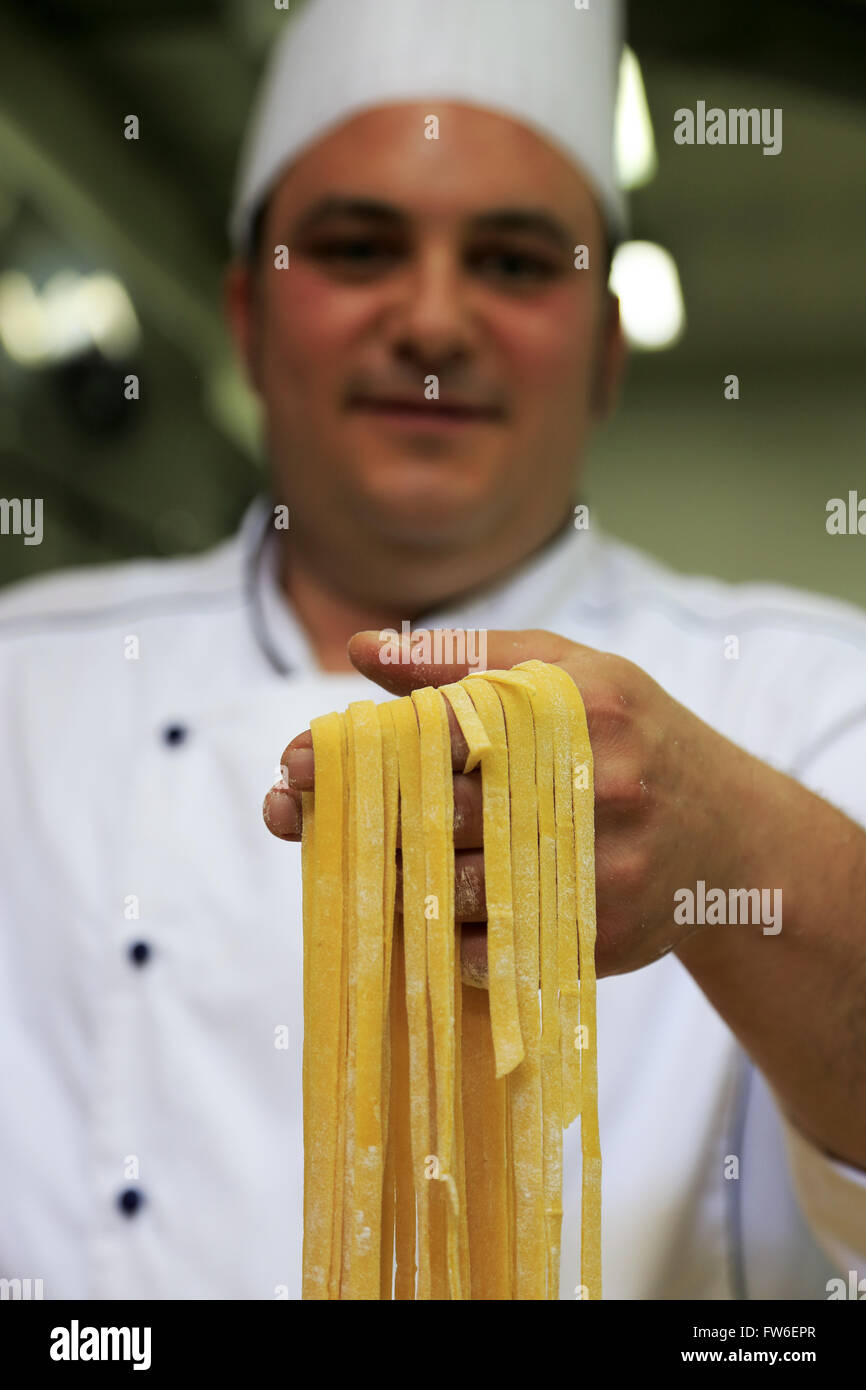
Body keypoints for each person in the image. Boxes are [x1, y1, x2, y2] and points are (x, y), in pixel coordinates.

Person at [1, 0, 864, 1301]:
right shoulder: (28, 684)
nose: (432, 320)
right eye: (356, 248)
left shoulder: (809, 690)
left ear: (607, 352)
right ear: (245, 315)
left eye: (516, 263)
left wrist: (728, 852)